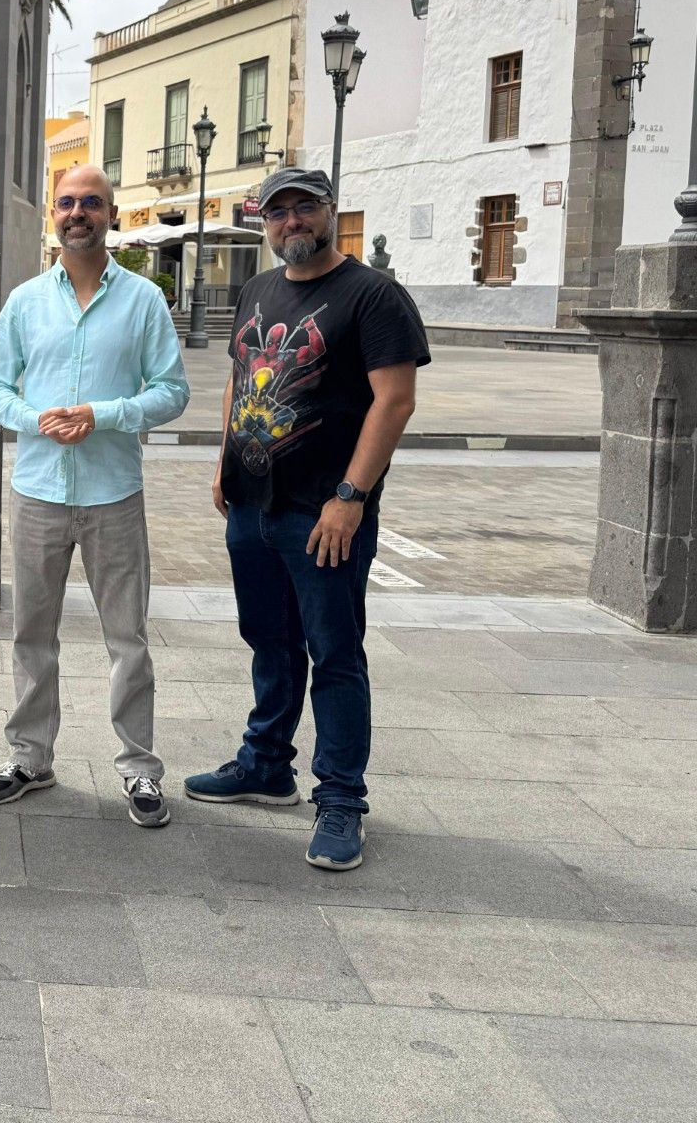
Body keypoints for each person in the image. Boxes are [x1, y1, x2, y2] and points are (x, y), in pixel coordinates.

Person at [185, 167, 426, 872]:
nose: (292, 221)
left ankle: (343, 799)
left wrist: (351, 497)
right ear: (264, 220)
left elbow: (395, 401)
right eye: (279, 211)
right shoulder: (259, 289)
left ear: (330, 213)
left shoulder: (373, 295)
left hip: (323, 511)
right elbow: (239, 374)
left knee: (335, 652)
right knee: (269, 640)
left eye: (305, 208)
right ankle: (266, 765)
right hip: (253, 503)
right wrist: (224, 460)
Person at [0, 163, 190, 825]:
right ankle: (31, 757)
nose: (78, 213)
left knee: (127, 636)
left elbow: (172, 390)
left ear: (110, 214)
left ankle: (139, 768)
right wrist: (34, 418)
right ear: (53, 215)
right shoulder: (25, 301)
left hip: (112, 494)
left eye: (91, 202)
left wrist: (103, 414)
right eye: (67, 202)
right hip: (39, 490)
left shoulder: (144, 300)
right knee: (31, 633)